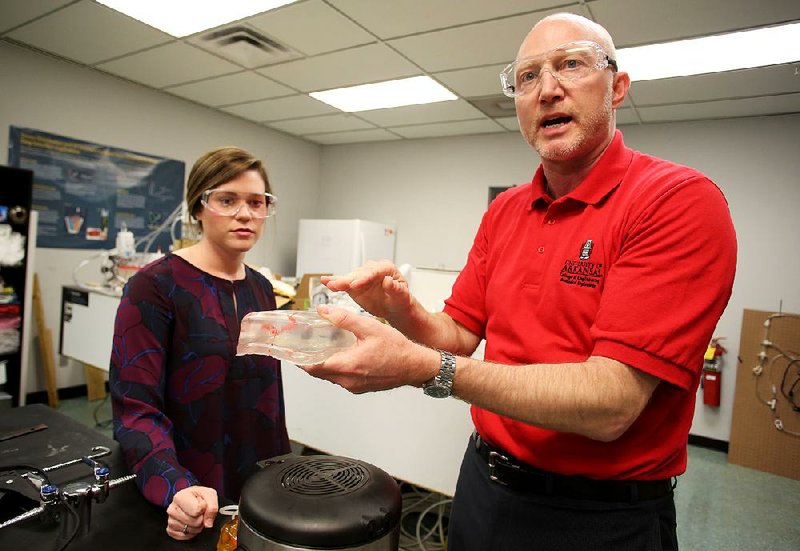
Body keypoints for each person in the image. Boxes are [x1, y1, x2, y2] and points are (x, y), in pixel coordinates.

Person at [304, 13, 737, 551]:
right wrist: (398, 309)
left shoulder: (677, 202)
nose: (548, 89)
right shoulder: (507, 209)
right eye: (527, 76)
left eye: (571, 64)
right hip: (484, 486)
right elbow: (459, 332)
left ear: (618, 87)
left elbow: (611, 404)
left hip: (597, 518)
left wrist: (424, 368)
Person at [109, 146, 290, 541]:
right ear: (198, 208)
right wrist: (174, 484)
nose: (245, 214)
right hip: (187, 489)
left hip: (254, 484)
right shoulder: (155, 287)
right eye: (227, 200)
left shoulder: (261, 288)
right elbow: (135, 408)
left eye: (256, 202)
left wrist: (278, 474)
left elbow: (267, 399)